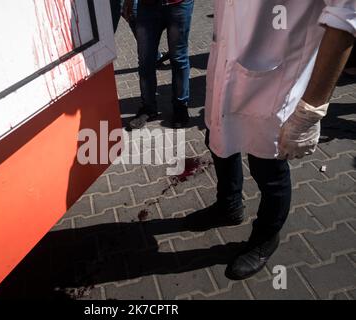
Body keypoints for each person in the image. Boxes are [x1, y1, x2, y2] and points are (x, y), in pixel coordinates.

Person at [185, 0, 356, 280]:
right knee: (218, 142)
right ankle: (228, 205)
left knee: (268, 169)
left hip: (277, 81)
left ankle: (266, 236)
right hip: (226, 63)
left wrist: (311, 109)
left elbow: (347, 16)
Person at [124, 0, 194, 129]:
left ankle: (180, 106)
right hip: (147, 7)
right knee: (146, 61)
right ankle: (148, 108)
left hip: (179, 4)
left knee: (178, 58)